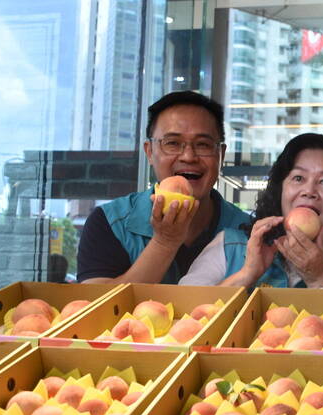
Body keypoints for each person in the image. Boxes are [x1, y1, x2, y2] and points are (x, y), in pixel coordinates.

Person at [77, 91, 250, 284]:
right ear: (149, 152)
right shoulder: (109, 222)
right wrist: (165, 242)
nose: (188, 156)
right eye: (173, 143)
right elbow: (93, 306)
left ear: (221, 154)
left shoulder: (247, 232)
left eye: (203, 145)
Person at [179, 133, 323, 289]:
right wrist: (247, 274)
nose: (309, 191)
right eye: (298, 178)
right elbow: (186, 315)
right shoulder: (230, 245)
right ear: (280, 190)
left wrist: (321, 281)